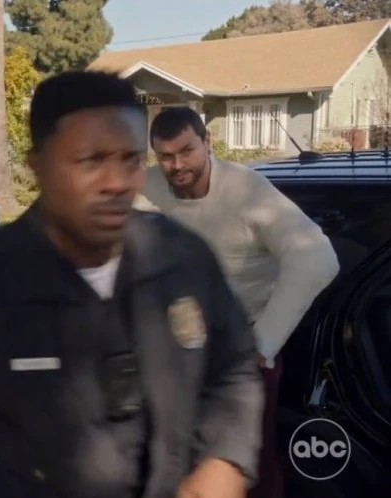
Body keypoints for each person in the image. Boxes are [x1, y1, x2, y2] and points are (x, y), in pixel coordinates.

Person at [0, 71, 264, 498]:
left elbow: (232, 368)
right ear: (38, 166)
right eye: (91, 160)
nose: (117, 182)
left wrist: (223, 463)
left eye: (130, 160)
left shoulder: (182, 260)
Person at [136, 107, 340, 498]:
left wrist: (263, 345)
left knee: (249, 468)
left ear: (207, 142)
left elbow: (317, 259)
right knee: (178, 464)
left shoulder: (247, 189)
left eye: (187, 151)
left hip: (242, 354)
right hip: (175, 355)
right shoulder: (148, 186)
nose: (177, 165)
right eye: (166, 156)